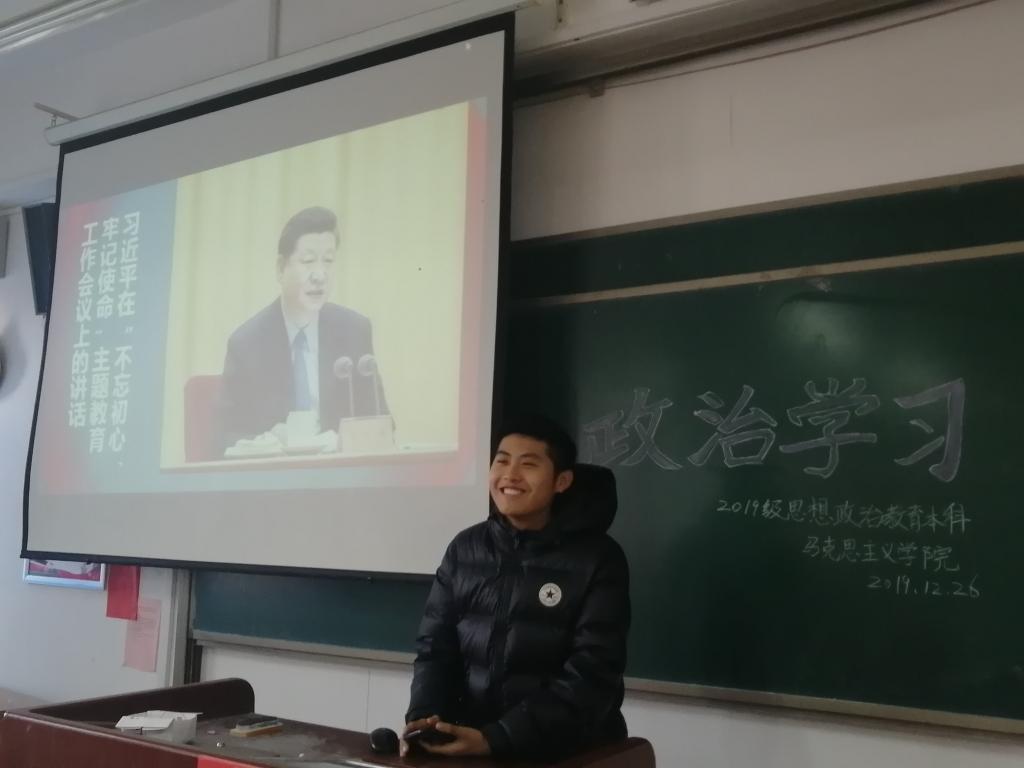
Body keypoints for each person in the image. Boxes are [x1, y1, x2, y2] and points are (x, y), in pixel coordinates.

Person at [403, 414, 631, 762]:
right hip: (474, 745)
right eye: (502, 461)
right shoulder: (465, 549)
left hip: (570, 752)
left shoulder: (599, 558)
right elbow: (435, 649)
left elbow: (593, 673)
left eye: (528, 464)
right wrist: (425, 721)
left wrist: (497, 738)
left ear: (562, 481)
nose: (510, 475)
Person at [218, 207, 388, 451]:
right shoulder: (246, 344)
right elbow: (223, 436)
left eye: (328, 261)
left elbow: (382, 424)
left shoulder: (354, 331)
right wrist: (268, 438)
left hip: (341, 471)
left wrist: (348, 440)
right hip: (277, 472)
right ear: (280, 268)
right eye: (308, 261)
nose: (320, 275)